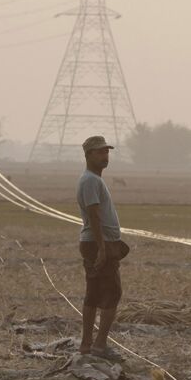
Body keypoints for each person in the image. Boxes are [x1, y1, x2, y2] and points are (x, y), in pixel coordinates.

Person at [76, 135, 129, 360]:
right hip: (99, 243)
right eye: (99, 152)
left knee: (94, 293)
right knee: (112, 293)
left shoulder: (94, 179)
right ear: (88, 155)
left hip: (98, 242)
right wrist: (102, 248)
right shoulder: (90, 181)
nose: (105, 156)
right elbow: (94, 215)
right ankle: (99, 346)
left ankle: (87, 345)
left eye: (106, 151)